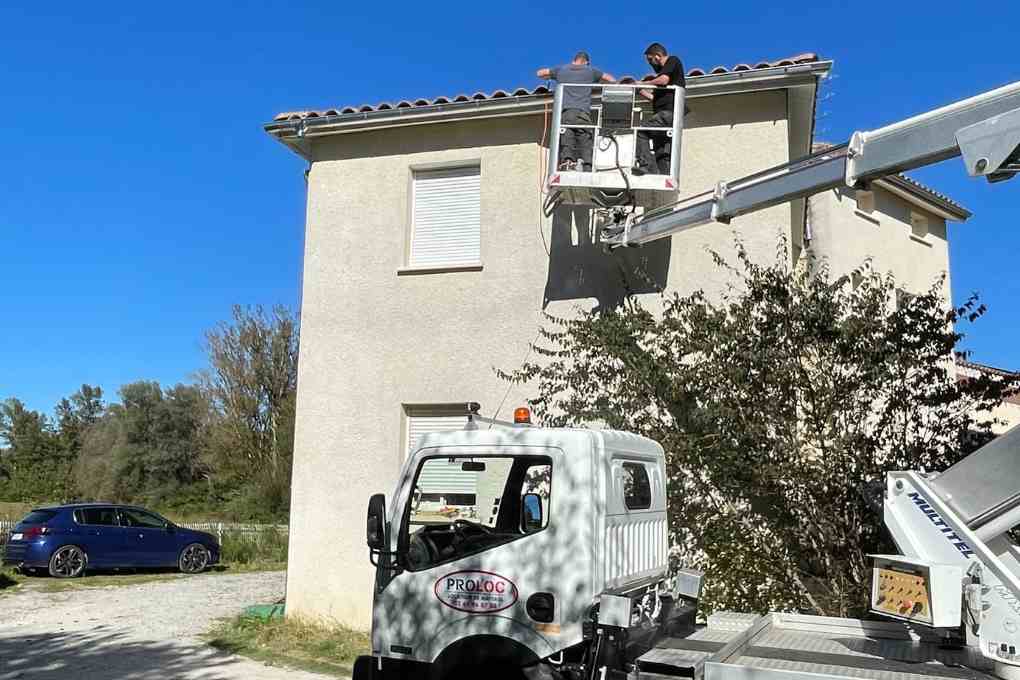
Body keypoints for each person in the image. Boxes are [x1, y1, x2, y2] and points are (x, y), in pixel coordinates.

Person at [537, 52, 616, 171]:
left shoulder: (561, 70)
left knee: (567, 139)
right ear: (586, 62)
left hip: (566, 113)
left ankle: (567, 163)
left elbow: (540, 73)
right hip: (582, 113)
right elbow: (611, 79)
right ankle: (588, 166)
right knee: (585, 139)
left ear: (575, 60)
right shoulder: (590, 71)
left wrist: (551, 77)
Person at [633, 43, 685, 176]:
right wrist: (641, 92)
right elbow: (655, 99)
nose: (651, 63)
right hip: (665, 113)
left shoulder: (672, 60)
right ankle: (664, 175)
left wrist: (643, 83)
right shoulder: (665, 75)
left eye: (650, 60)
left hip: (668, 113)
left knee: (641, 132)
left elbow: (663, 80)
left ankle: (645, 165)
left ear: (658, 56)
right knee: (661, 150)